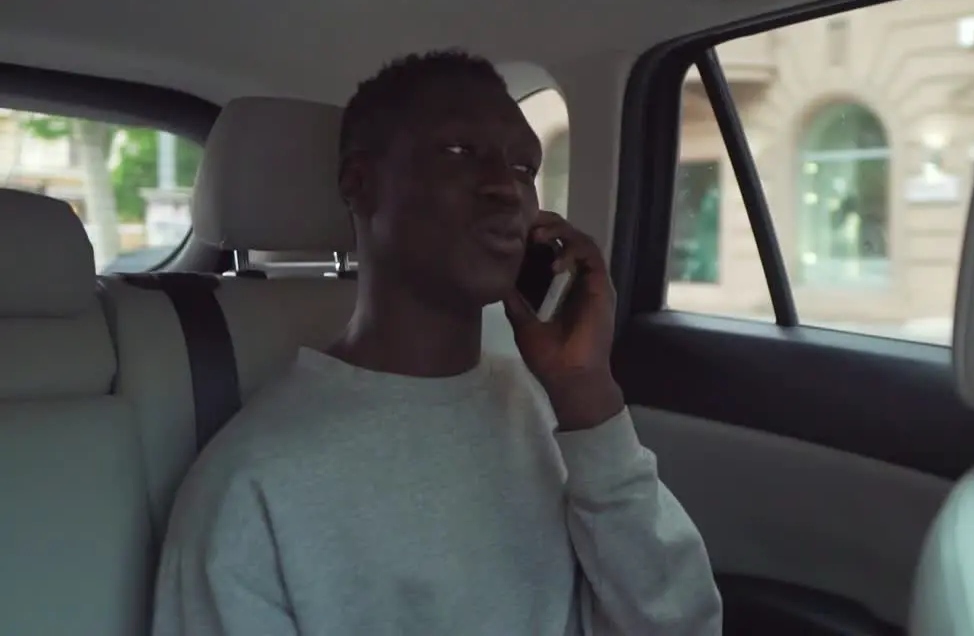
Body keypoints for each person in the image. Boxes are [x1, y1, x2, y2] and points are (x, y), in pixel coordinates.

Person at [151, 50, 723, 635]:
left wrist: (587, 394)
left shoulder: (546, 407)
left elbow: (682, 626)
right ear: (360, 183)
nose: (506, 186)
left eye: (526, 168)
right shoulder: (253, 484)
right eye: (459, 152)